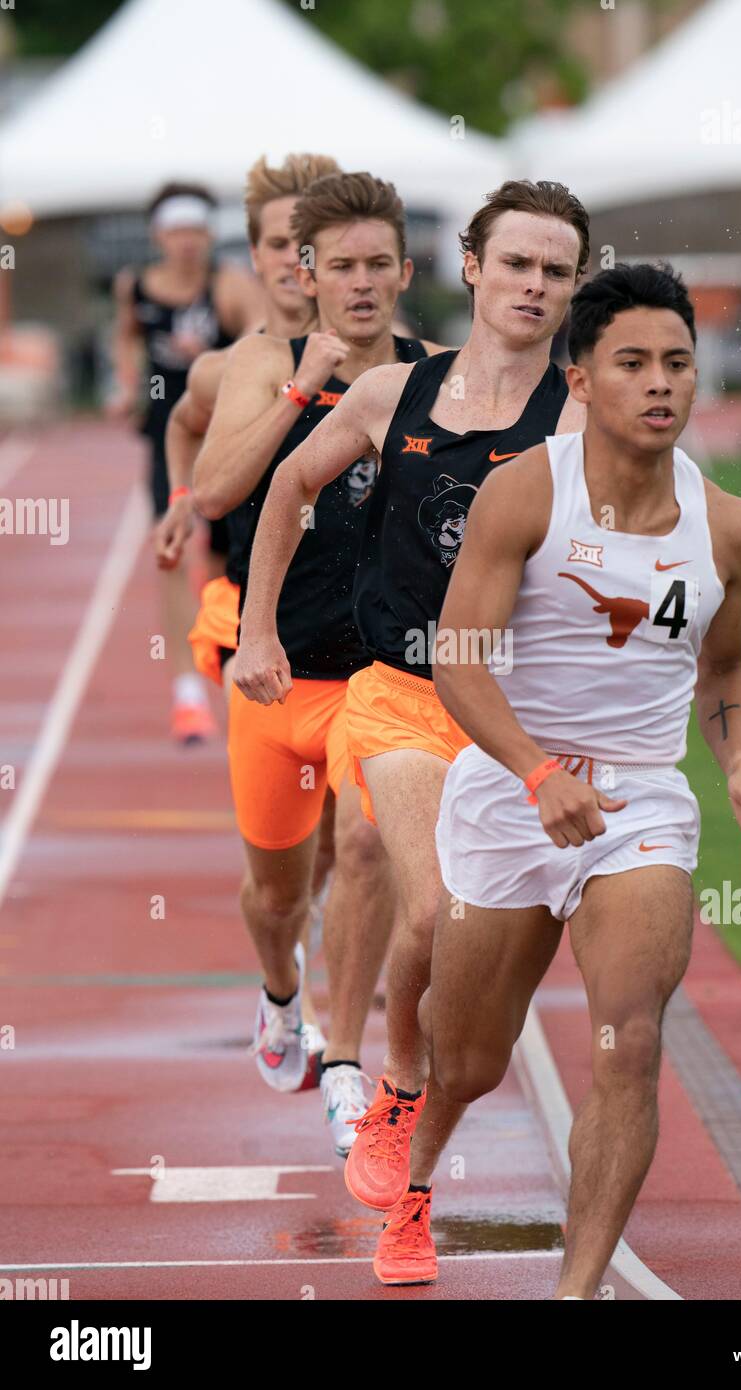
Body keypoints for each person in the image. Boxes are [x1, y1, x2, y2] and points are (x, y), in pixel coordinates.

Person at [233, 179, 590, 1283]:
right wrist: (255, 629)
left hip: (521, 710)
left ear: (573, 288)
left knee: (482, 978)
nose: (534, 285)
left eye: (557, 271)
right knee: (427, 910)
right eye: (517, 263)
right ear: (473, 268)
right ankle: (390, 1089)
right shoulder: (393, 391)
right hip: (401, 694)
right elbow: (289, 484)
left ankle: (420, 1168)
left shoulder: (580, 420)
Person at [428, 262, 741, 1299]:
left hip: (639, 805)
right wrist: (536, 771)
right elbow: (458, 656)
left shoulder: (730, 526)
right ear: (581, 379)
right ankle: (413, 1164)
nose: (660, 382)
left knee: (628, 1036)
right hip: (508, 789)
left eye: (677, 361)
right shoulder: (527, 488)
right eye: (632, 362)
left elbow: (722, 668)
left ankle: (576, 1290)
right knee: (468, 1060)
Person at [195, 170, 445, 1156]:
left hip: (380, 678)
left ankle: (347, 1060)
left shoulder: (437, 373)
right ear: (309, 272)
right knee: (275, 893)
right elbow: (215, 491)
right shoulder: (267, 362)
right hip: (274, 672)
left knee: (369, 846)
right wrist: (307, 387)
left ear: (406, 271)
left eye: (379, 264)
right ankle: (281, 991)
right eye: (342, 265)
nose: (362, 282)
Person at [153, 154, 340, 699]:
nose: (293, 260)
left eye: (307, 245)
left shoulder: (381, 355)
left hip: (357, 624)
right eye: (279, 244)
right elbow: (183, 424)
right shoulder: (224, 367)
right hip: (259, 622)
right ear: (254, 255)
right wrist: (181, 496)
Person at [110, 181, 263, 742]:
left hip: (224, 439)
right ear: (159, 235)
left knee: (225, 560)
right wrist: (127, 384)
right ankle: (185, 691)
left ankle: (219, 660)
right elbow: (126, 337)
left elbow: (260, 335)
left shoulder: (227, 286)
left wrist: (220, 360)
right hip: (167, 439)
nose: (188, 242)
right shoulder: (137, 287)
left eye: (197, 230)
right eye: (177, 231)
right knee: (170, 552)